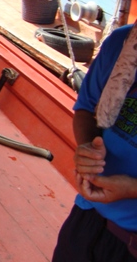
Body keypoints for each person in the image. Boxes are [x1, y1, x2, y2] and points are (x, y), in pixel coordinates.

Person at [53, 23, 137, 261]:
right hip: (89, 216)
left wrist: (131, 188)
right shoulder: (121, 43)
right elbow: (86, 110)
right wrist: (88, 147)